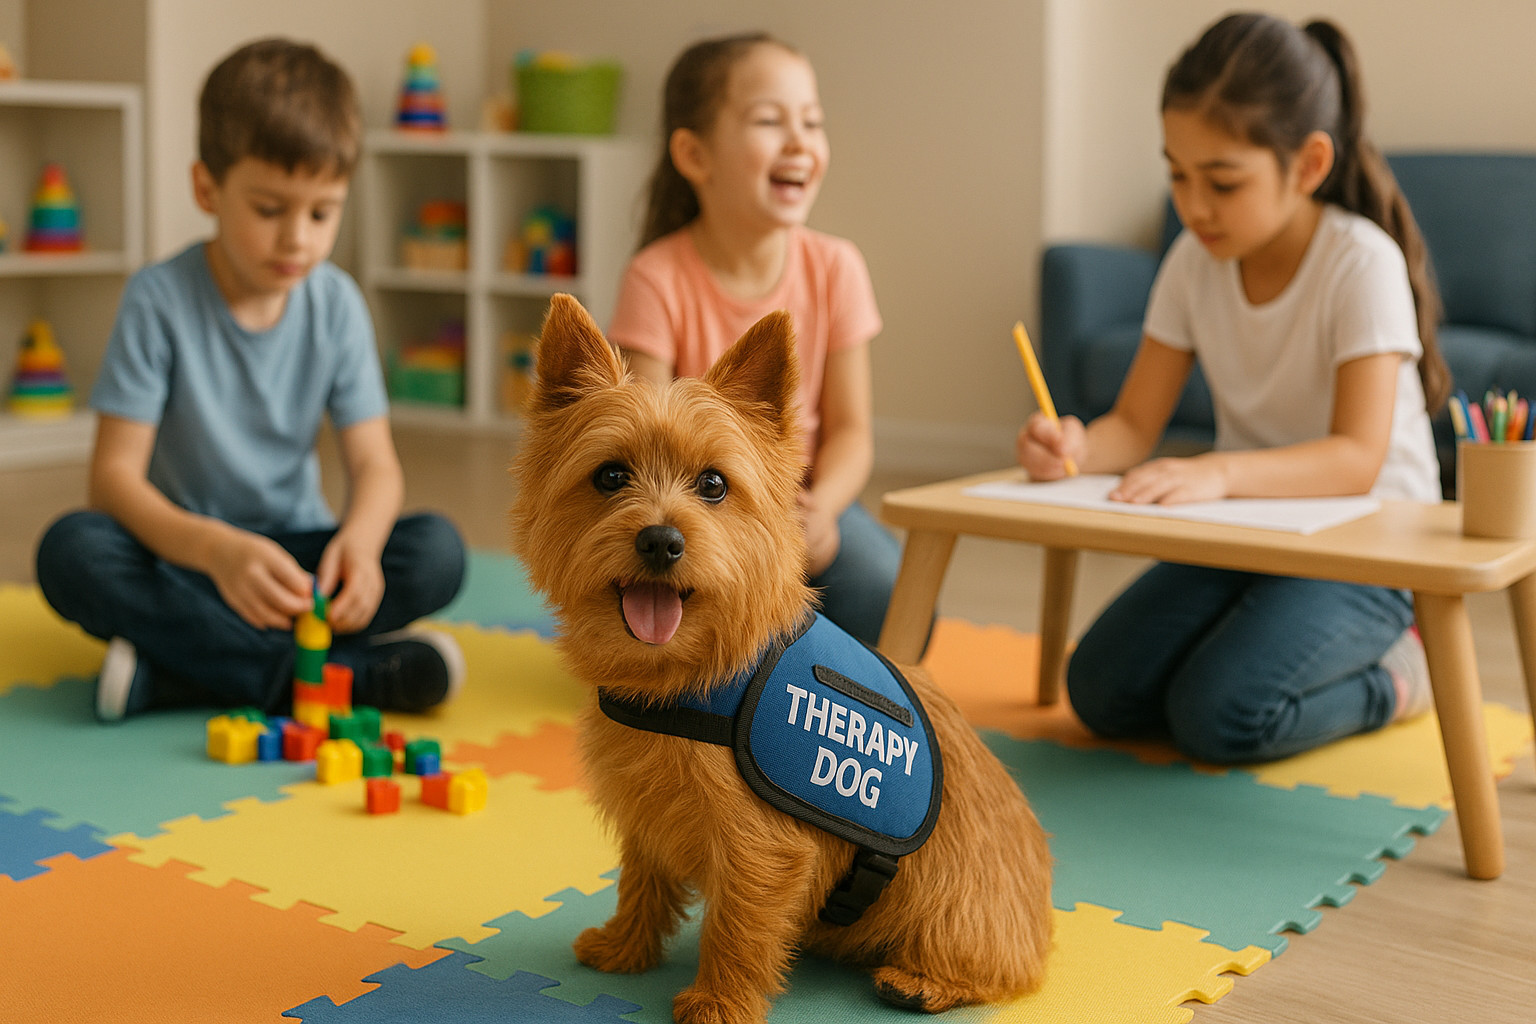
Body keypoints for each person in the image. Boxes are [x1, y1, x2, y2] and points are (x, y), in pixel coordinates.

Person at [1016, 13, 1449, 764]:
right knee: (1099, 691)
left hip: (1372, 549)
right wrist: (1075, 447)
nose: (1194, 205)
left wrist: (1216, 471)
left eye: (1221, 181)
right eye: (1177, 175)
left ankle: (1399, 677)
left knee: (1221, 715)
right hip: (1248, 530)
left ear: (1309, 165)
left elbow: (1355, 457)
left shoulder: (1360, 263)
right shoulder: (1192, 263)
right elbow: (1133, 425)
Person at [35, 38, 466, 722]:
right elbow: (113, 481)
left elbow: (375, 465)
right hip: (192, 560)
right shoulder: (158, 299)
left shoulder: (338, 304)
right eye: (270, 210)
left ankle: (182, 671)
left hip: (299, 563)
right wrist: (215, 551)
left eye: (322, 212)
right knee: (72, 551)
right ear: (207, 188)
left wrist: (359, 541)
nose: (298, 237)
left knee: (437, 550)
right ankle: (338, 678)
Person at [606, 32, 903, 649]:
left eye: (812, 122)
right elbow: (647, 434)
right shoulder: (656, 277)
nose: (800, 141)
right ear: (694, 156)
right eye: (770, 120)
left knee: (887, 592)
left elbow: (850, 431)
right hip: (699, 507)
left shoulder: (837, 267)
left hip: (804, 501)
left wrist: (822, 509)